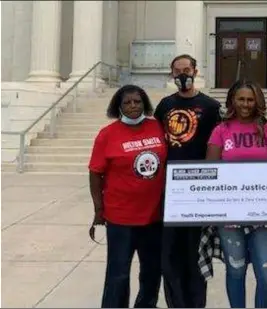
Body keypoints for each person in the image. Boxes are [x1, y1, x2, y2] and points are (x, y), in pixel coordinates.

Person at [203, 80, 267, 308]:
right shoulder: (221, 131)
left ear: (257, 102)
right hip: (230, 214)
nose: (246, 104)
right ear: (232, 101)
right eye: (241, 99)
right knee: (236, 270)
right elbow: (211, 171)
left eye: (250, 99)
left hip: (263, 215)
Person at [88, 84, 168, 308]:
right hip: (120, 218)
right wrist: (98, 209)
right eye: (127, 102)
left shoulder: (157, 127)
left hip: (154, 217)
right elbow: (95, 173)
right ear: (118, 107)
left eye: (137, 102)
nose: (133, 106)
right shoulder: (107, 135)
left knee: (152, 272)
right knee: (118, 274)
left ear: (144, 104)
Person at [153, 54, 222, 308]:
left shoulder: (212, 107)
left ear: (195, 70)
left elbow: (218, 146)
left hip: (197, 190)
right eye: (177, 70)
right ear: (172, 74)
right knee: (170, 255)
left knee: (195, 254)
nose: (183, 74)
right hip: (169, 191)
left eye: (187, 69)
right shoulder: (164, 105)